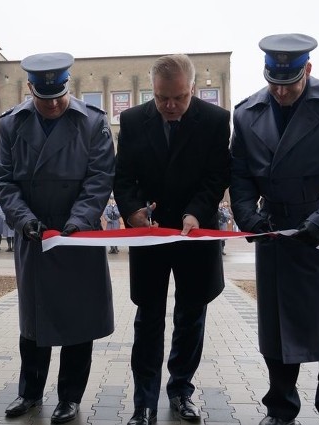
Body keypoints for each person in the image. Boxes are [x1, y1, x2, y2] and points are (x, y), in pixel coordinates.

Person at [229, 33, 319, 425]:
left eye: (289, 84)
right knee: (277, 327)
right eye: (273, 83)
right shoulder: (246, 113)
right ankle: (280, 408)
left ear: (307, 70)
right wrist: (248, 217)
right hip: (277, 231)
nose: (280, 92)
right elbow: (239, 174)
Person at [0, 52, 115, 424]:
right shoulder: (12, 124)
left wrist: (78, 223)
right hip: (34, 235)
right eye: (45, 99)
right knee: (34, 321)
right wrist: (25, 221)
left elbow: (99, 180)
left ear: (68, 86)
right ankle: (29, 393)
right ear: (30, 89)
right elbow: (4, 180)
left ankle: (70, 398)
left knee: (79, 322)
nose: (55, 104)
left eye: (60, 96)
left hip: (78, 236)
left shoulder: (93, 122)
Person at [113, 54, 230, 425]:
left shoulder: (215, 120)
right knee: (148, 318)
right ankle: (144, 401)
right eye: (162, 98)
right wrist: (132, 212)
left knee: (191, 315)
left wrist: (195, 212)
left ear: (192, 89)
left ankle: (181, 390)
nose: (170, 106)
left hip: (196, 233)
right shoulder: (132, 121)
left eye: (179, 97)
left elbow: (216, 176)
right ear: (153, 90)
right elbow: (123, 177)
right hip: (150, 237)